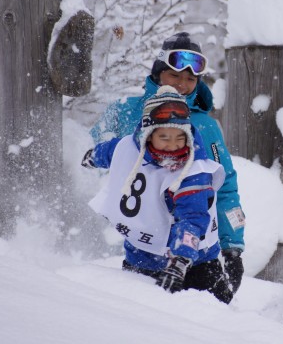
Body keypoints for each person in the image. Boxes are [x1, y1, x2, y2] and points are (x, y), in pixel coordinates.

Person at [83, 32, 246, 293]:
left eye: (190, 79)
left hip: (194, 247)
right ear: (158, 73)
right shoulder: (125, 111)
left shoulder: (204, 125)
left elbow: (224, 186)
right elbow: (96, 154)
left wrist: (233, 245)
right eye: (174, 75)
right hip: (133, 241)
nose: (182, 84)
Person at [88, 85, 233, 303]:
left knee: (210, 317)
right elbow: (110, 151)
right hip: (141, 256)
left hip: (195, 264)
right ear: (147, 135)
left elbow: (192, 219)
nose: (173, 145)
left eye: (180, 137)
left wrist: (181, 259)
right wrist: (91, 156)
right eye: (164, 137)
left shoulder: (192, 172)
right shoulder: (129, 147)